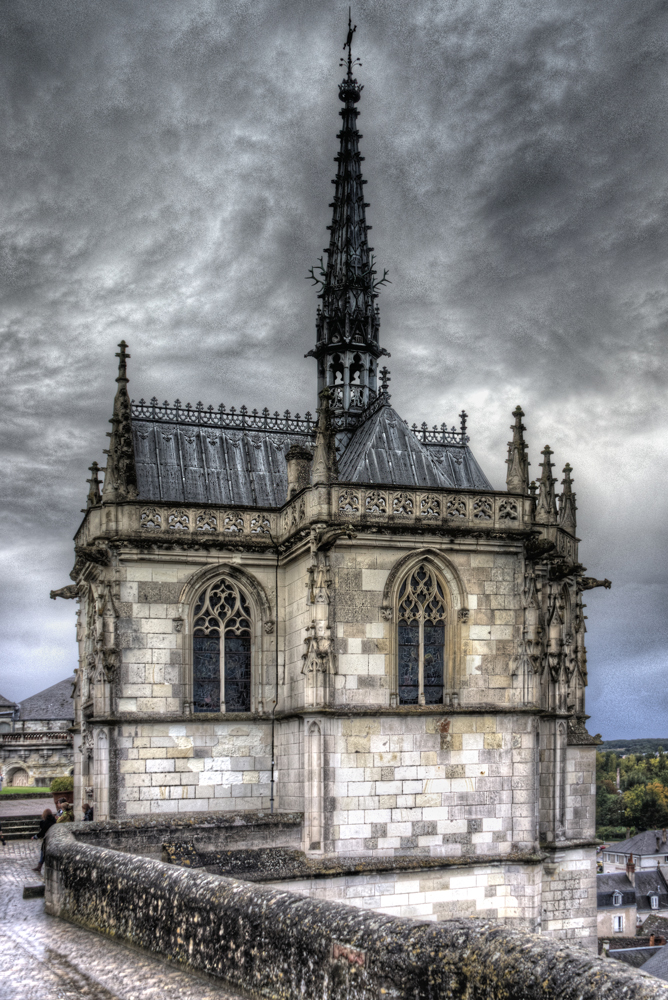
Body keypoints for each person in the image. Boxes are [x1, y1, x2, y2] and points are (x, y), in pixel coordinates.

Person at [31, 808, 56, 873]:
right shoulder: (53, 820)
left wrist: (35, 837)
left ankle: (40, 866)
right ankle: (40, 866)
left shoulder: (47, 822)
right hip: (53, 838)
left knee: (43, 851)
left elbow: (42, 832)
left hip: (48, 839)